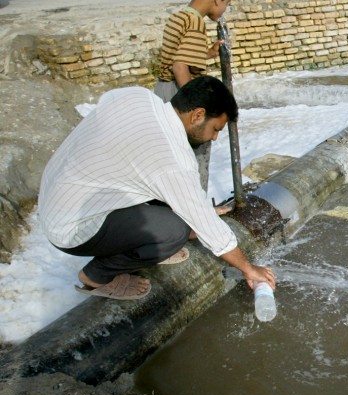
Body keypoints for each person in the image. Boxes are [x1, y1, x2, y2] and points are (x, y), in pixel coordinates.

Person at [38, 75, 275, 300]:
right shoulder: (172, 157)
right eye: (215, 129)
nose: (213, 138)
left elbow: (174, 186)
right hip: (71, 228)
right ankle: (97, 276)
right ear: (198, 115)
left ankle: (146, 241)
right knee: (173, 231)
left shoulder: (138, 96)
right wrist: (248, 268)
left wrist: (197, 210)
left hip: (57, 195)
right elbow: (211, 230)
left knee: (177, 206)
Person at [154, 0, 235, 190]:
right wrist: (195, 106)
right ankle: (197, 212)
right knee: (197, 153)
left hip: (162, 91)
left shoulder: (180, 17)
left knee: (171, 157)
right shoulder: (196, 23)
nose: (224, 10)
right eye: (227, 3)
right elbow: (180, 66)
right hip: (178, 93)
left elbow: (177, 54)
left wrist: (206, 52)